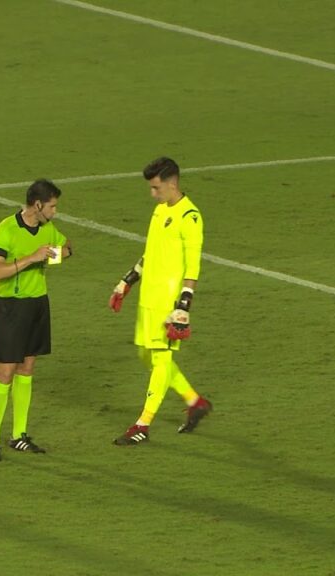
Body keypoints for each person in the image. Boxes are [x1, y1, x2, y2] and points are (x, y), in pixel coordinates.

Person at [108, 157, 213, 445]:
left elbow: (193, 265)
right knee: (146, 356)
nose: (152, 194)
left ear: (172, 184)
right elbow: (150, 252)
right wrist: (127, 281)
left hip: (168, 301)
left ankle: (143, 424)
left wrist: (184, 305)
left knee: (161, 358)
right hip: (148, 296)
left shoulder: (190, 216)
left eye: (156, 188)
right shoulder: (159, 211)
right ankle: (195, 402)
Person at [0, 179, 73, 461]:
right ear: (38, 204)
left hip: (38, 305)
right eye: (52, 206)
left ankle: (19, 435)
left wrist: (50, 257)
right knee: (5, 373)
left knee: (27, 369)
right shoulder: (6, 229)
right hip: (11, 307)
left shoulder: (48, 229)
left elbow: (68, 248)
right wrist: (31, 258)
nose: (55, 212)